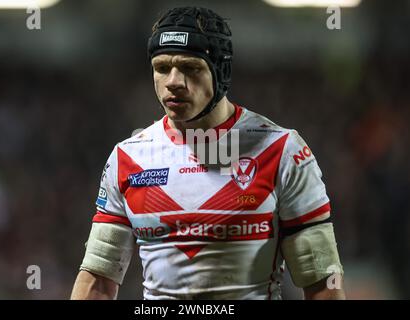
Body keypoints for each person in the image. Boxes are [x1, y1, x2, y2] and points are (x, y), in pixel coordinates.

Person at [71, 6, 345, 300]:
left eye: (190, 68)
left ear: (221, 71)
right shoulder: (127, 158)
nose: (173, 81)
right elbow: (98, 280)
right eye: (162, 67)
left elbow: (321, 283)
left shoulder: (282, 151)